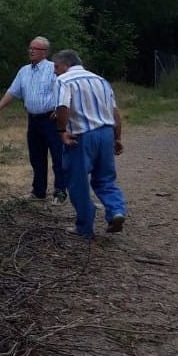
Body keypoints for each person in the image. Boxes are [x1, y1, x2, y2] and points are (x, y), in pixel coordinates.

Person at [52, 49, 127, 240]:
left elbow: (63, 107)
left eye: (56, 66)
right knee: (105, 178)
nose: (54, 71)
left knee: (77, 180)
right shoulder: (101, 80)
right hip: (105, 133)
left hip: (81, 136)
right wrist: (117, 138)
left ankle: (84, 226)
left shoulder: (64, 80)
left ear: (66, 64)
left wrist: (61, 132)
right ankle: (116, 210)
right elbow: (114, 112)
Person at [0, 36, 68, 203]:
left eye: (35, 49)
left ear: (44, 52)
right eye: (30, 48)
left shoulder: (53, 69)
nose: (31, 51)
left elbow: (64, 88)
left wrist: (59, 109)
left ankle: (60, 192)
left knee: (58, 156)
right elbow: (12, 92)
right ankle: (38, 191)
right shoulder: (24, 71)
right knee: (36, 157)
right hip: (33, 119)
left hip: (51, 119)